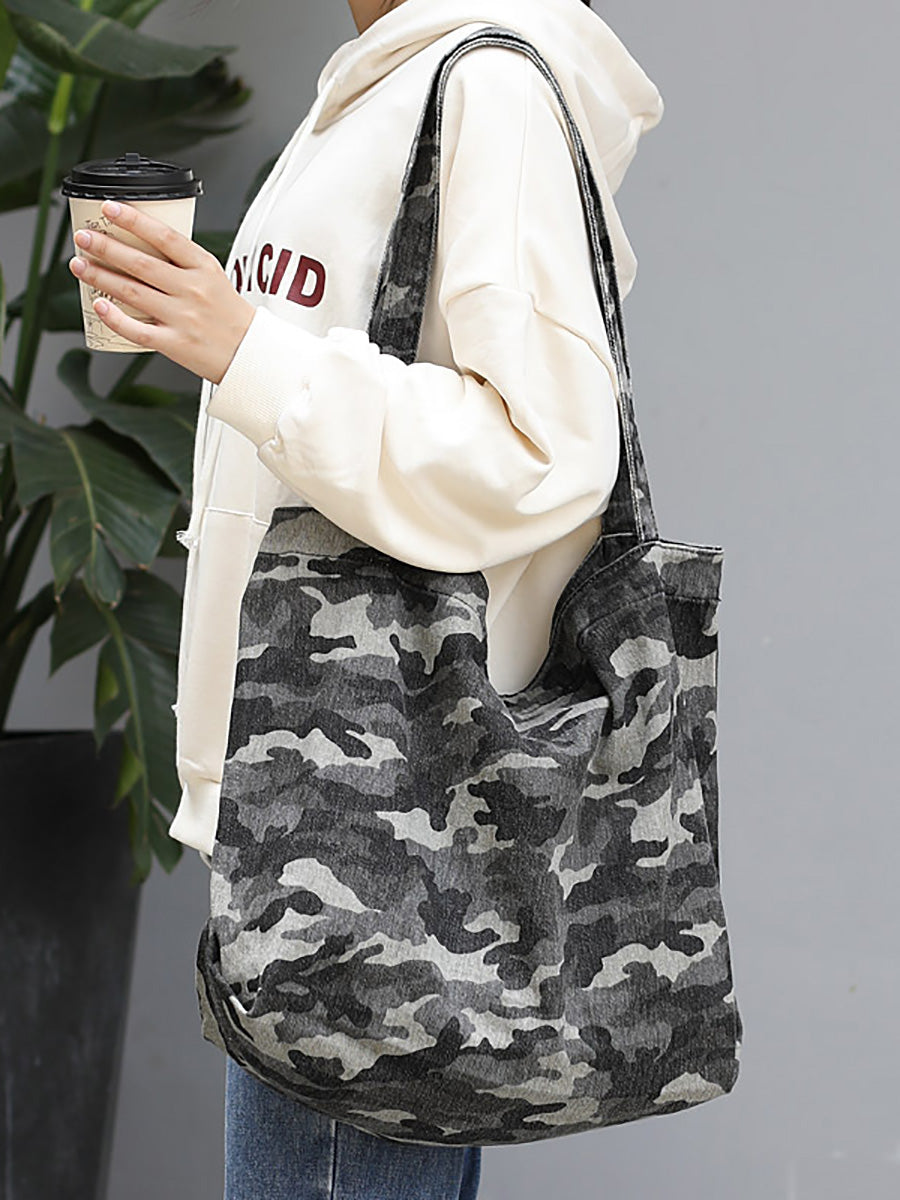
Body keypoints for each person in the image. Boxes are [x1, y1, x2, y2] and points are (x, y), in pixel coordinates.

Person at [68, 0, 663, 1194]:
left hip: (371, 839)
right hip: (303, 815)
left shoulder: (489, 86)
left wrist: (248, 349)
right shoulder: (384, 82)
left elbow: (548, 449)